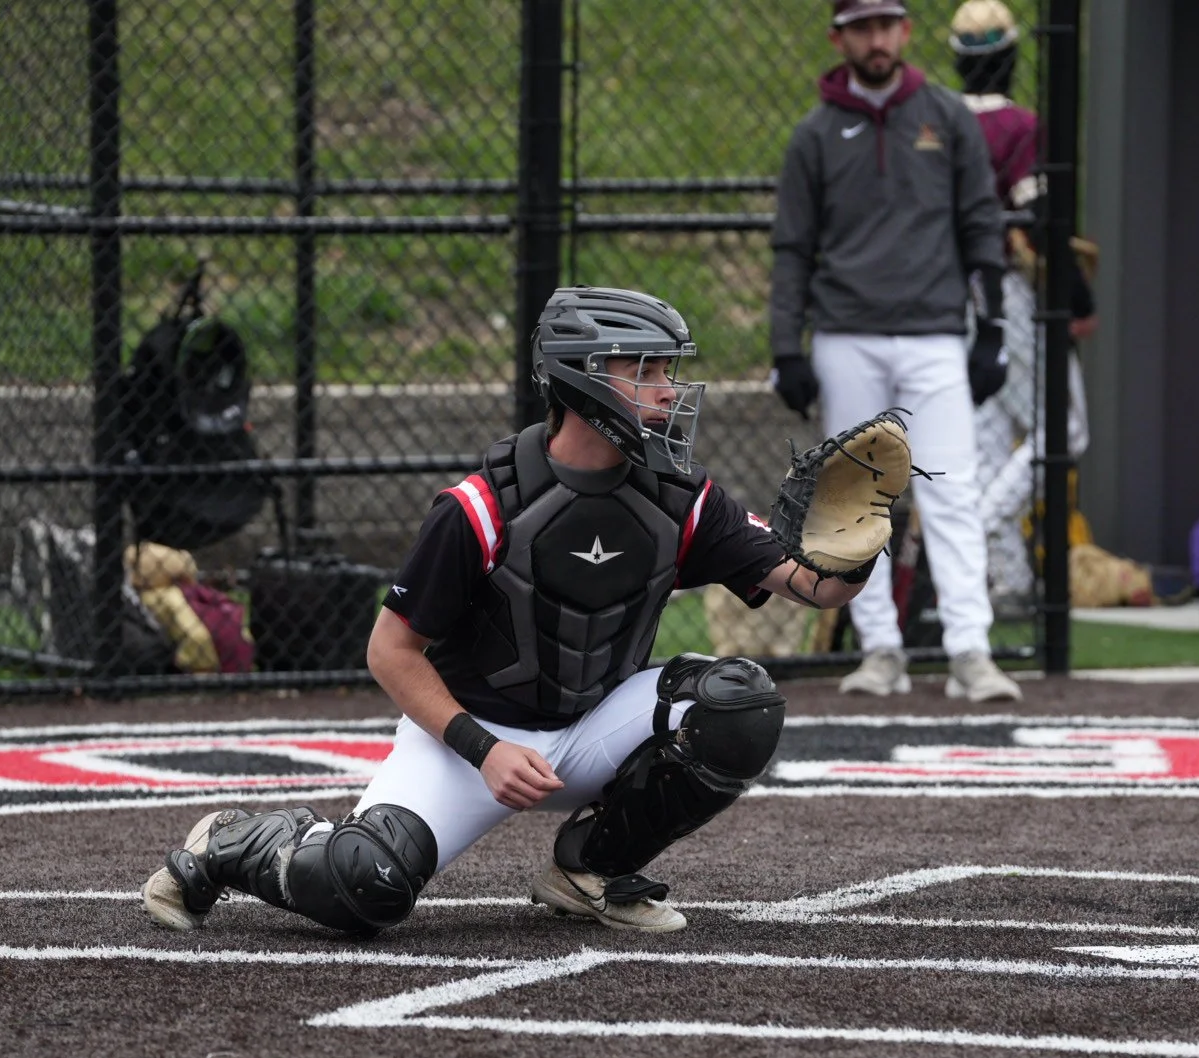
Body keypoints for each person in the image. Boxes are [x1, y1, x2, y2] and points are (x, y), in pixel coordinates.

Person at [142, 286, 900, 938]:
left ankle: (590, 871)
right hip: (471, 740)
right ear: (582, 378)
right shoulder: (480, 507)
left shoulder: (684, 497)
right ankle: (240, 840)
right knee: (362, 885)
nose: (669, 391)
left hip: (596, 725)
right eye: (645, 370)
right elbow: (390, 652)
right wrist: (484, 750)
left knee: (740, 703)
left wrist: (854, 549)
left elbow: (816, 588)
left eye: (669, 370)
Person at [769, 0, 1022, 702]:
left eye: (886, 25)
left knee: (953, 488)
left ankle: (971, 652)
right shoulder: (814, 135)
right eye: (862, 28)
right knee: (852, 496)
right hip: (846, 336)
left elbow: (982, 227)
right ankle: (879, 650)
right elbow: (792, 249)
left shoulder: (948, 117)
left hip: (937, 335)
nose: (876, 40)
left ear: (906, 32)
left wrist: (992, 330)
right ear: (839, 38)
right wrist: (785, 347)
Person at [948, 0, 1095, 606]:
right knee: (1066, 428)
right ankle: (978, 531)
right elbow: (1039, 219)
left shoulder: (937, 122)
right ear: (1011, 56)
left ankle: (1008, 583)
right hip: (1004, 289)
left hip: (947, 293)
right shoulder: (1020, 127)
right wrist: (1076, 295)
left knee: (989, 441)